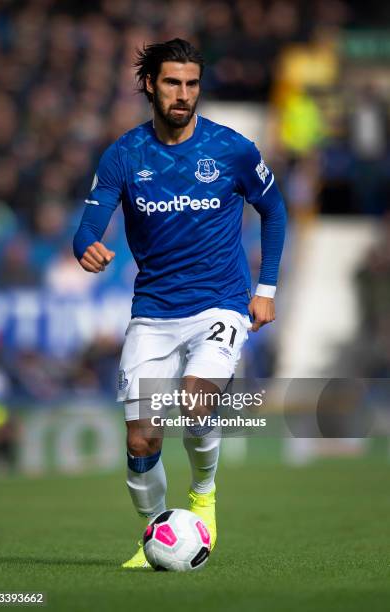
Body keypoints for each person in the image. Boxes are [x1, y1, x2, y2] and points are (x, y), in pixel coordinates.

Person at [73, 38, 286, 568]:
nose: (184, 94)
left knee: (196, 400)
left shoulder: (231, 148)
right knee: (143, 438)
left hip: (220, 303)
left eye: (192, 84)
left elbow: (275, 211)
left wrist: (266, 289)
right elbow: (86, 229)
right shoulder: (125, 155)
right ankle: (157, 537)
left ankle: (204, 494)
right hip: (153, 311)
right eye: (172, 82)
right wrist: (87, 248)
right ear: (150, 84)